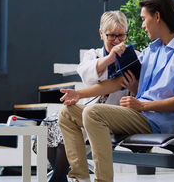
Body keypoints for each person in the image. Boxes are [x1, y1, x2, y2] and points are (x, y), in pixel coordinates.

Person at [58, 0, 174, 182]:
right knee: (67, 113)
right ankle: (81, 178)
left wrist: (143, 106)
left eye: (144, 19)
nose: (142, 25)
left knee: (93, 112)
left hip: (154, 121)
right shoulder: (151, 51)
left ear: (157, 17)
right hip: (137, 115)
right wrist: (78, 94)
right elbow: (117, 82)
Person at [42, 11, 135, 182]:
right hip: (86, 109)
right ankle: (61, 174)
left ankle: (59, 176)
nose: (116, 40)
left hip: (111, 114)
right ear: (101, 34)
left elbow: (128, 87)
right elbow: (86, 74)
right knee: (50, 124)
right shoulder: (93, 55)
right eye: (111, 35)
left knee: (68, 125)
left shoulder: (131, 57)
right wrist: (109, 58)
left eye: (121, 35)